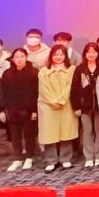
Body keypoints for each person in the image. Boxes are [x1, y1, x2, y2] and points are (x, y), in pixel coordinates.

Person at [38, 44, 77, 172]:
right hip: (48, 105)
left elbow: (70, 86)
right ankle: (51, 160)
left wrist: (61, 100)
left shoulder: (71, 69)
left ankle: (65, 159)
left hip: (66, 104)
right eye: (56, 54)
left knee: (66, 132)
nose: (58, 57)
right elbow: (43, 89)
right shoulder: (44, 71)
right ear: (51, 56)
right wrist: (53, 101)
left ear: (65, 56)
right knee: (49, 133)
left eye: (61, 54)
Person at [0, 48, 39, 171]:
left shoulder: (34, 72)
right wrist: (3, 109)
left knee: (29, 134)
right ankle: (17, 158)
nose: (19, 59)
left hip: (29, 109)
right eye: (17, 57)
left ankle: (29, 157)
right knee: (15, 134)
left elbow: (36, 92)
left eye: (22, 56)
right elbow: (3, 92)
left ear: (26, 57)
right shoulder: (7, 73)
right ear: (13, 59)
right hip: (12, 109)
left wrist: (34, 110)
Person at [71, 44, 99, 168]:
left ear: (98, 53)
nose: (91, 54)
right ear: (85, 54)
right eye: (89, 52)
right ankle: (89, 157)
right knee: (87, 131)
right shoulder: (80, 69)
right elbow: (74, 89)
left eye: (94, 52)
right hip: (84, 106)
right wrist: (76, 107)